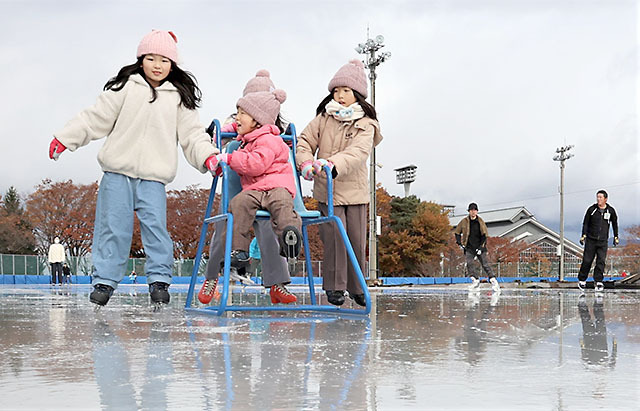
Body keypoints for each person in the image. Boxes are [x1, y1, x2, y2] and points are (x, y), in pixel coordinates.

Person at [48, 30, 219, 306]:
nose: (157, 65)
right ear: (141, 60)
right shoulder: (126, 87)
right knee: (113, 227)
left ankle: (159, 280)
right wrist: (65, 138)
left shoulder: (178, 97)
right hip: (117, 172)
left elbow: (193, 136)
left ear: (172, 65)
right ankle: (104, 280)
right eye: (151, 58)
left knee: (155, 229)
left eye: (164, 60)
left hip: (154, 176)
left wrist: (208, 157)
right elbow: (96, 118)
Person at [198, 71, 298, 305]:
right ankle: (212, 277)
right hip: (243, 190)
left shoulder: (273, 131)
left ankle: (277, 282)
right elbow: (214, 142)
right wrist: (225, 137)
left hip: (270, 189)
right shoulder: (236, 128)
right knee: (227, 222)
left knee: (269, 228)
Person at [296, 59, 383, 307]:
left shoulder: (366, 124)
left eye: (346, 91)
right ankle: (334, 287)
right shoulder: (324, 118)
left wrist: (332, 163)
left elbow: (358, 153)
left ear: (357, 94)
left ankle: (357, 286)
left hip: (354, 192)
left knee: (355, 240)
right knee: (334, 238)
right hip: (328, 191)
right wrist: (305, 163)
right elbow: (304, 142)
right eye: (336, 90)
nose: (340, 96)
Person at [577, 190, 619, 293]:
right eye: (597, 197)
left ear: (605, 199)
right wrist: (583, 235)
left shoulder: (610, 211)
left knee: (601, 261)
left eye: (600, 197)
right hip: (591, 240)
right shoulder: (592, 210)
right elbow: (585, 223)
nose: (598, 199)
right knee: (587, 260)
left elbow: (614, 223)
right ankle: (582, 279)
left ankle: (599, 281)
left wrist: (616, 236)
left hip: (603, 241)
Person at [454, 203, 500, 292]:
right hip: (469, 247)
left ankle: (493, 280)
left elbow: (485, 235)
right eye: (471, 210)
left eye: (475, 210)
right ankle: (475, 280)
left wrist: (481, 247)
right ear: (469, 211)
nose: (473, 212)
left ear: (477, 211)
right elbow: (457, 232)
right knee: (469, 263)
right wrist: (459, 242)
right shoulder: (464, 221)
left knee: (485, 264)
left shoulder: (480, 221)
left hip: (480, 246)